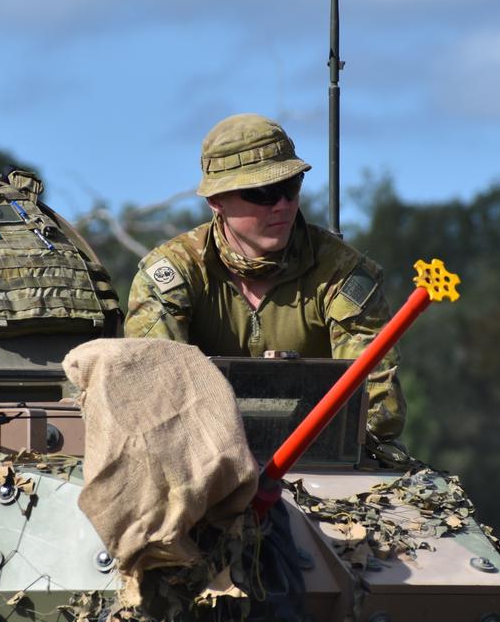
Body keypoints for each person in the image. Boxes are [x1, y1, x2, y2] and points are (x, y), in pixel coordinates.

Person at [124, 113, 407, 458]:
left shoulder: (341, 275)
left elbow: (378, 410)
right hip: (202, 460)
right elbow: (155, 399)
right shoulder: (174, 275)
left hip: (323, 461)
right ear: (217, 201)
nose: (283, 205)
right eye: (262, 193)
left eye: (291, 187)